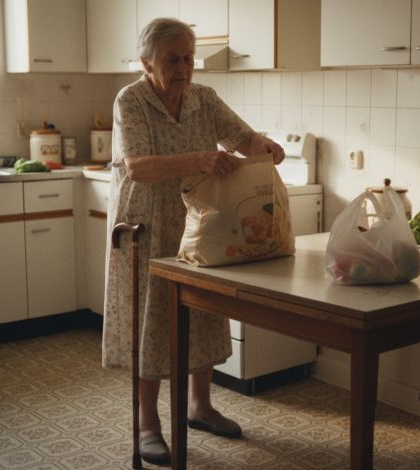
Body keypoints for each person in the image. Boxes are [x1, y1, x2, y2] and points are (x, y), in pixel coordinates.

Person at [101, 17, 285, 466]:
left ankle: (200, 407)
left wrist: (267, 147)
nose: (183, 67)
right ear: (147, 62)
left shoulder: (204, 99)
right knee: (152, 319)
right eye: (172, 59)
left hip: (200, 221)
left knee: (201, 310)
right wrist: (200, 158)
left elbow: (243, 139)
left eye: (188, 57)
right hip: (147, 223)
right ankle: (148, 425)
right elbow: (138, 167)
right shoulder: (131, 100)